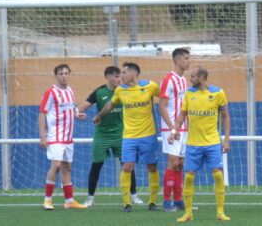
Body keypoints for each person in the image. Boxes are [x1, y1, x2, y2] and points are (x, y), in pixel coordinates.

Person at [94, 62, 161, 212]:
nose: (121, 76)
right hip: (129, 136)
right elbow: (110, 105)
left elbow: (165, 96)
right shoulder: (120, 90)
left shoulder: (150, 86)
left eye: (124, 73)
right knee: (127, 166)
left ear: (133, 74)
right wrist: (99, 116)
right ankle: (127, 203)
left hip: (149, 135)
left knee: (152, 167)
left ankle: (152, 202)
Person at [171, 66, 231, 222]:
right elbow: (182, 114)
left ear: (202, 77)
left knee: (218, 174)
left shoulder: (218, 93)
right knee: (189, 177)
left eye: (193, 76)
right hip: (193, 143)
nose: (190, 79)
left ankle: (220, 212)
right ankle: (188, 213)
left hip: (212, 142)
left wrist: (226, 140)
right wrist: (174, 130)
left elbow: (225, 117)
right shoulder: (189, 94)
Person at [76, 66, 142, 207]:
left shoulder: (125, 90)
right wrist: (77, 113)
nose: (118, 79)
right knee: (96, 165)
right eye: (115, 76)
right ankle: (90, 197)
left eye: (120, 76)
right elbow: (81, 107)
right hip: (102, 135)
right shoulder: (99, 92)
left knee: (128, 165)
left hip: (121, 134)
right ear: (107, 77)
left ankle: (134, 195)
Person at [39, 64, 88, 210]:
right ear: (56, 76)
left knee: (67, 167)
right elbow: (42, 113)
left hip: (68, 136)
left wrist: (78, 115)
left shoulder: (70, 91)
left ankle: (69, 201)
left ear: (70, 75)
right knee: (57, 165)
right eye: (61, 73)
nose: (64, 76)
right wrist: (43, 136)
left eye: (66, 73)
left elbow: (70, 109)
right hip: (55, 136)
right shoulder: (51, 93)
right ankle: (47, 200)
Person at [158, 48, 191, 211]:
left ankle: (178, 200)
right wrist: (172, 128)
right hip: (170, 129)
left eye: (188, 58)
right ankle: (166, 201)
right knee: (173, 163)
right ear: (177, 60)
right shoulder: (168, 80)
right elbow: (161, 106)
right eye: (186, 58)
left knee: (180, 164)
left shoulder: (184, 80)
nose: (188, 61)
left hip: (184, 129)